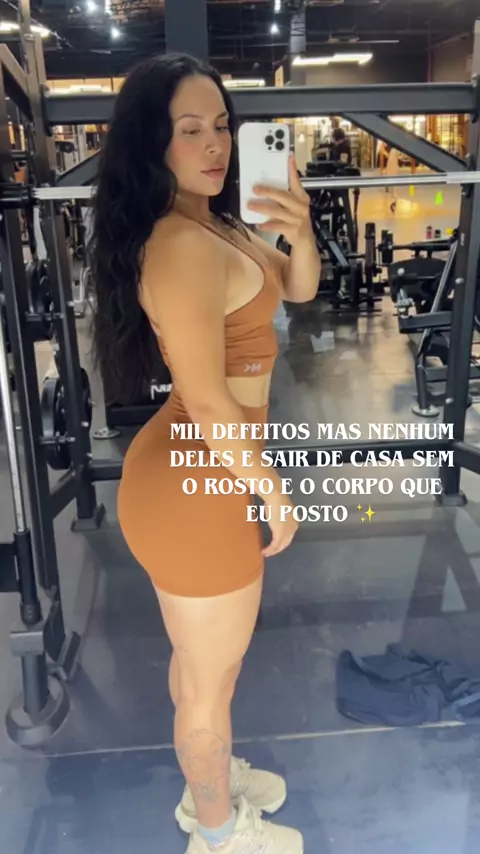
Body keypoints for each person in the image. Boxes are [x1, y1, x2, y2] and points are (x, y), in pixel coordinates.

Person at [89, 54, 321, 854]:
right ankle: (219, 832)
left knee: (202, 666)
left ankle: (207, 781)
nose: (215, 144)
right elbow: (210, 399)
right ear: (152, 143)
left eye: (222, 125)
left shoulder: (216, 223)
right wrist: (272, 490)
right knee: (210, 679)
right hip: (200, 479)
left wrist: (300, 226)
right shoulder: (179, 244)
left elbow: (297, 288)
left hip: (204, 473)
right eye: (190, 130)